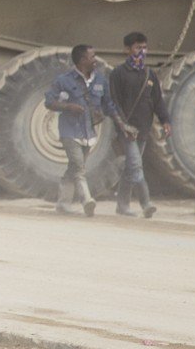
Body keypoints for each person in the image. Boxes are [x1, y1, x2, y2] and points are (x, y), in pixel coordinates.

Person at [44, 44, 120, 216]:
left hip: (88, 132)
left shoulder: (100, 80)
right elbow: (49, 101)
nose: (95, 60)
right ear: (82, 60)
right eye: (92, 57)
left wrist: (121, 124)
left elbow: (109, 104)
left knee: (74, 167)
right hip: (69, 131)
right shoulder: (63, 80)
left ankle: (63, 204)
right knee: (79, 167)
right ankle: (87, 200)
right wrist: (68, 106)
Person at [108, 32, 171, 218]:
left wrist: (166, 120)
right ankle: (146, 203)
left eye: (144, 47)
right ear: (127, 50)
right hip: (126, 130)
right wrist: (123, 125)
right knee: (136, 165)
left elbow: (158, 101)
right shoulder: (118, 73)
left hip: (143, 129)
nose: (142, 52)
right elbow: (113, 102)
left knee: (131, 166)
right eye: (137, 48)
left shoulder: (149, 74)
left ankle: (122, 205)